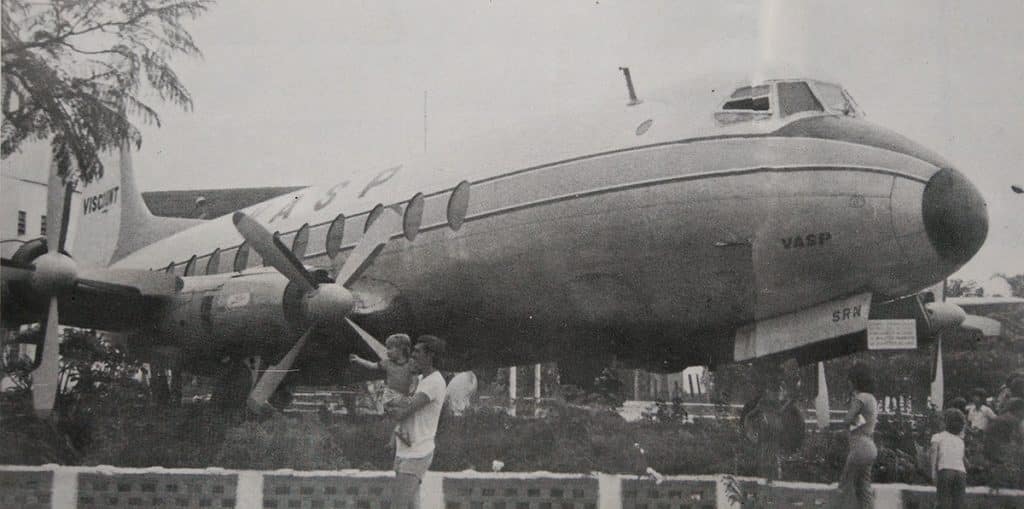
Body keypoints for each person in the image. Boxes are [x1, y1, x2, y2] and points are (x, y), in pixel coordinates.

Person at [386, 335, 448, 509]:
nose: (412, 354)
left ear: (430, 356)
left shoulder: (434, 382)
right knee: (412, 505)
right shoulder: (420, 380)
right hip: (405, 450)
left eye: (417, 351)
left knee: (397, 505)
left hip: (418, 452)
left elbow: (402, 411)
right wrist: (394, 436)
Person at [349, 333, 417, 447]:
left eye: (390, 348)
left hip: (403, 396)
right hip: (390, 395)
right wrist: (358, 359)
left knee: (402, 417)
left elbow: (414, 379)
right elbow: (372, 365)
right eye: (387, 348)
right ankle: (402, 434)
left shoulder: (411, 363)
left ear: (401, 349)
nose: (387, 352)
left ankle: (393, 442)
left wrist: (413, 389)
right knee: (408, 410)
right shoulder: (387, 363)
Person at [837, 362, 878, 509]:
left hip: (859, 447)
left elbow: (847, 420)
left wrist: (852, 402)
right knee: (864, 489)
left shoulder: (860, 397)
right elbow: (863, 421)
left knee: (844, 486)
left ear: (855, 380)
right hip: (870, 446)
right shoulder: (871, 398)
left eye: (849, 380)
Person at [931, 408, 967, 509]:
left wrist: (933, 472)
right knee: (958, 505)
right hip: (961, 473)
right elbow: (962, 459)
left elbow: (934, 452)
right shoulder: (960, 441)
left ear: (945, 422)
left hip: (946, 470)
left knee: (943, 502)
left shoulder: (937, 437)